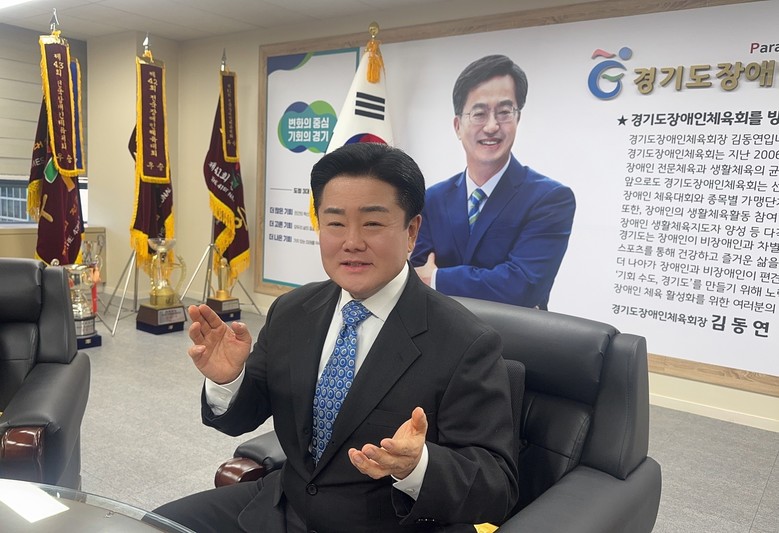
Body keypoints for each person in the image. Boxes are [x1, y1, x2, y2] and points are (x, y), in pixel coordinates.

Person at [154, 142, 518, 532]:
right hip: (284, 506)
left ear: (411, 231)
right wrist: (229, 380)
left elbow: (497, 487)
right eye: (335, 223)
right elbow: (246, 414)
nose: (352, 242)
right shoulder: (293, 310)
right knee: (149, 526)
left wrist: (417, 466)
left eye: (372, 223)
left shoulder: (465, 342)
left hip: (387, 525)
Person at [410, 54, 575, 310]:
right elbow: (415, 274)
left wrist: (438, 278)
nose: (491, 126)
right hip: (439, 330)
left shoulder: (550, 198)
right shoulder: (433, 198)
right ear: (458, 126)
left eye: (504, 112)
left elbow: (522, 287)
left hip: (510, 335)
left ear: (517, 119)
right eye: (479, 113)